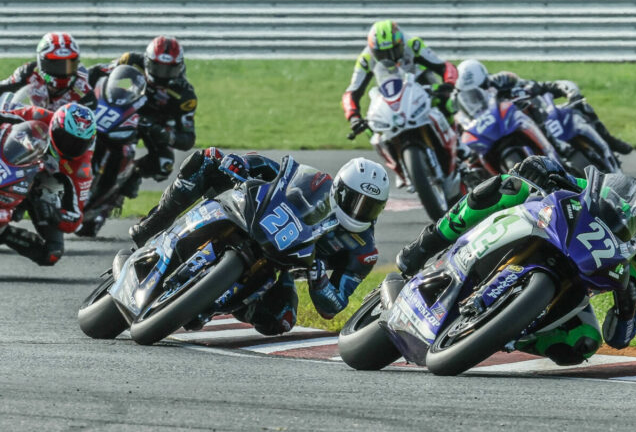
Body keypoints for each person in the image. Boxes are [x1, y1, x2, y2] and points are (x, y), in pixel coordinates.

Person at [394, 154, 636, 366]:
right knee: (509, 186)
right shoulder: (613, 201)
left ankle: (502, 330)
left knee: (581, 344)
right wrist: (545, 168)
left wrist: (628, 308)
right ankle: (428, 242)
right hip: (545, 228)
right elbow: (570, 181)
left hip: (572, 286)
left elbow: (618, 338)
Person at [128, 148, 390, 335]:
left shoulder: (363, 251)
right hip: (253, 218)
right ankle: (154, 224)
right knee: (209, 158)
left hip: (281, 267)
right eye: (355, 200)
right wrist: (241, 163)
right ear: (340, 189)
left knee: (281, 321)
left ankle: (210, 301)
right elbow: (276, 170)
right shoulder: (318, 184)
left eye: (371, 206)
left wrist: (319, 281)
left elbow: (334, 306)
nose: (360, 211)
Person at [0, 102, 97, 266]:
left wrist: (54, 214)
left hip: (40, 188)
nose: (70, 146)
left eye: (78, 143)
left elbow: (75, 217)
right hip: (8, 159)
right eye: (65, 137)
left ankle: (1, 234)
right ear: (55, 125)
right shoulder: (39, 115)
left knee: (52, 253)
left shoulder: (82, 169)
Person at [87, 36, 197, 197]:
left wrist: (166, 135)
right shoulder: (130, 60)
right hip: (123, 107)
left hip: (152, 124)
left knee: (163, 165)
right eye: (157, 68)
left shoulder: (185, 96)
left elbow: (188, 138)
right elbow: (96, 72)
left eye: (169, 70)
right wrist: (87, 94)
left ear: (179, 68)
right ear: (147, 61)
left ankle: (132, 174)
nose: (162, 75)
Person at [455, 59, 633, 155]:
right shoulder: (463, 106)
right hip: (505, 134)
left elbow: (536, 86)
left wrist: (531, 91)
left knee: (578, 107)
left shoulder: (502, 80)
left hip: (542, 121)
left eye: (482, 87)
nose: (481, 93)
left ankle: (609, 141)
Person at [342, 20, 459, 136]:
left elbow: (445, 66)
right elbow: (351, 92)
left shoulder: (413, 44)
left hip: (420, 82)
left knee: (444, 101)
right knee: (371, 128)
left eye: (394, 51)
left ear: (401, 43)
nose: (390, 58)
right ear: (373, 51)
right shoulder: (366, 59)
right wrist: (354, 117)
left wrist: (448, 84)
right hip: (391, 92)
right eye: (382, 54)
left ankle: (457, 140)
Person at [0, 32, 95, 112]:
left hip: (62, 137)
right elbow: (1, 87)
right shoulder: (29, 72)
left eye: (69, 65)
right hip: (30, 127)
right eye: (56, 65)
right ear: (42, 62)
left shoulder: (83, 90)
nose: (63, 71)